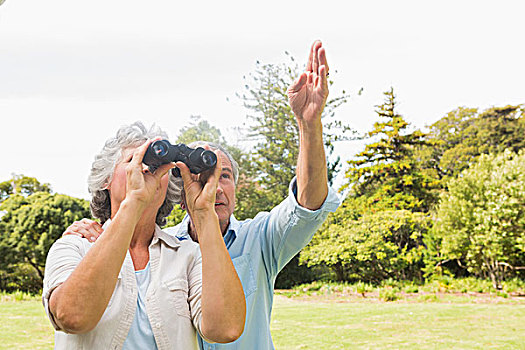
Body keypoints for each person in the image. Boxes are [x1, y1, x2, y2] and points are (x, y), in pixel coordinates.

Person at [64, 40, 341, 349]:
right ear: (180, 191)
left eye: (226, 177)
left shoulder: (260, 238)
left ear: (237, 187)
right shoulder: (167, 248)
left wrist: (308, 124)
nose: (217, 188)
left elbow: (308, 203)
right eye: (204, 178)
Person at [42, 122, 246, 349]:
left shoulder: (187, 256)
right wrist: (134, 203)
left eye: (158, 165)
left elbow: (226, 329)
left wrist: (204, 213)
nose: (147, 170)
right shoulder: (74, 247)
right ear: (105, 180)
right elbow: (72, 317)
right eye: (134, 161)